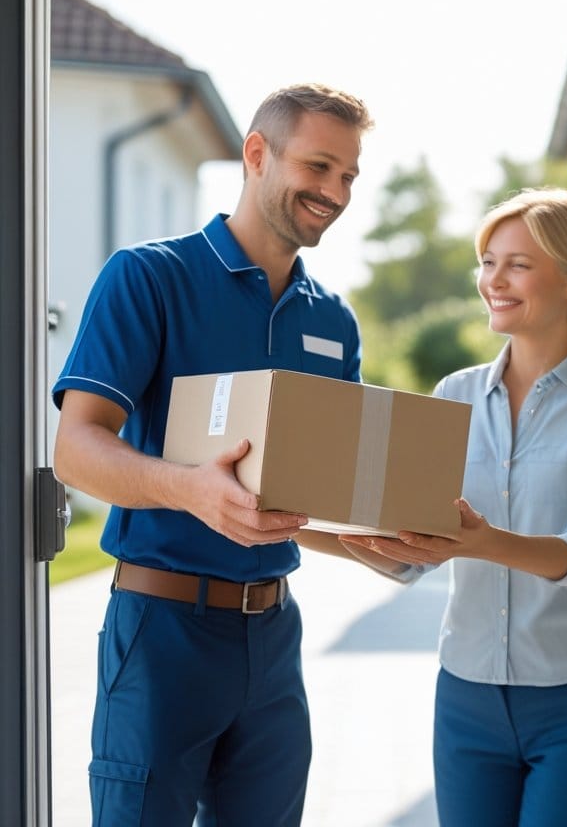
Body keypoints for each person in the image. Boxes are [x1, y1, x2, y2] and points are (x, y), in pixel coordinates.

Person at [52, 83, 373, 826]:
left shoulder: (334, 321)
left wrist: (378, 543)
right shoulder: (150, 277)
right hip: (163, 631)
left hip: (273, 639)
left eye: (350, 175)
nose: (335, 191)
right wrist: (190, 489)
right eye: (320, 166)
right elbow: (75, 448)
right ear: (256, 154)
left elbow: (311, 495)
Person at [337, 187, 567, 827]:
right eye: (487, 261)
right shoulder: (453, 394)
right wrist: (298, 522)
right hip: (467, 698)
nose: (493, 280)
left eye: (516, 263)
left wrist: (480, 542)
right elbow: (413, 555)